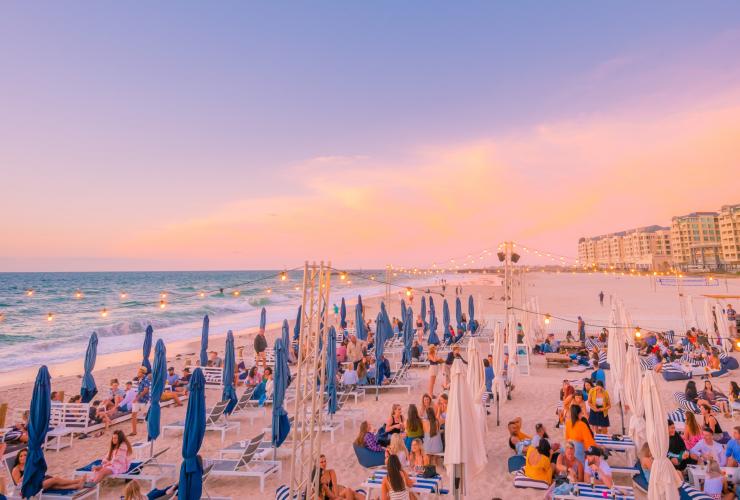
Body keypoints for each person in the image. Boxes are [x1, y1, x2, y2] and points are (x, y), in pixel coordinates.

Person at [11, 448, 86, 491]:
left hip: (39, 481)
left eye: (25, 455)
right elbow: (18, 485)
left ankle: (75, 486)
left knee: (54, 485)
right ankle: (77, 481)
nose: (22, 457)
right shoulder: (16, 469)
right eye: (20, 456)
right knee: (55, 480)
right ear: (18, 458)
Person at [130, 367, 151, 436]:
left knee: (148, 416)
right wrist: (136, 397)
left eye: (138, 372)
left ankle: (150, 430)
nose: (137, 373)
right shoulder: (140, 379)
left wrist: (137, 398)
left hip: (143, 400)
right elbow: (140, 390)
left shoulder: (146, 380)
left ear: (142, 373)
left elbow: (146, 390)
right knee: (133, 414)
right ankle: (134, 431)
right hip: (138, 400)